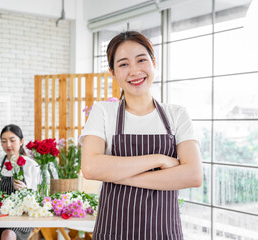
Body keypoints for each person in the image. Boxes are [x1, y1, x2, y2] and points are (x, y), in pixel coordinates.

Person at [80, 31, 203, 240]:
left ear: (154, 62)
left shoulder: (177, 114)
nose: (134, 71)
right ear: (113, 72)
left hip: (164, 232)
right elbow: (91, 168)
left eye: (141, 60)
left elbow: (193, 175)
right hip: (114, 231)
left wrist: (117, 174)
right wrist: (159, 159)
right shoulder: (103, 112)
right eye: (123, 64)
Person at [0, 124, 40, 240]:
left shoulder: (31, 165)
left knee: (8, 234)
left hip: (21, 217)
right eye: (4, 141)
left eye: (12, 140)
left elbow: (38, 198)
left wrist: (25, 190)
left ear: (21, 141)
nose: (8, 145)